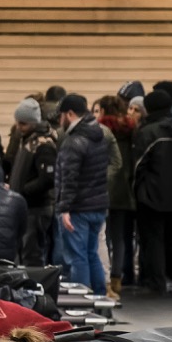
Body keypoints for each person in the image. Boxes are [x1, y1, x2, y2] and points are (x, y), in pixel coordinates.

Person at [132, 89, 172, 296]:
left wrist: (137, 191)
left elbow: (137, 166)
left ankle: (157, 284)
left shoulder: (148, 132)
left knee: (154, 240)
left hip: (153, 196)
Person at [54, 93, 110, 295]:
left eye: (61, 115)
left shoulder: (73, 142)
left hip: (78, 208)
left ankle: (83, 301)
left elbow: (69, 178)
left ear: (69, 114)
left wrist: (65, 208)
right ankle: (100, 298)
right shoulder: (99, 136)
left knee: (77, 257)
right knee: (91, 254)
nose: (59, 121)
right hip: (98, 206)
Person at [94, 95, 137, 300]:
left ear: (102, 111)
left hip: (102, 188)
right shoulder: (131, 131)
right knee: (119, 237)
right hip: (124, 190)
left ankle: (105, 280)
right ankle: (117, 278)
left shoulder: (99, 131)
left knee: (102, 237)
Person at [8, 97, 58, 266]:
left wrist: (22, 190)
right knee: (25, 251)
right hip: (27, 206)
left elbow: (48, 178)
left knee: (32, 254)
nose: (19, 127)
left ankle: (34, 288)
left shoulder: (43, 144)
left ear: (33, 122)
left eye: (23, 124)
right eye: (18, 123)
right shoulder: (28, 140)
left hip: (36, 208)